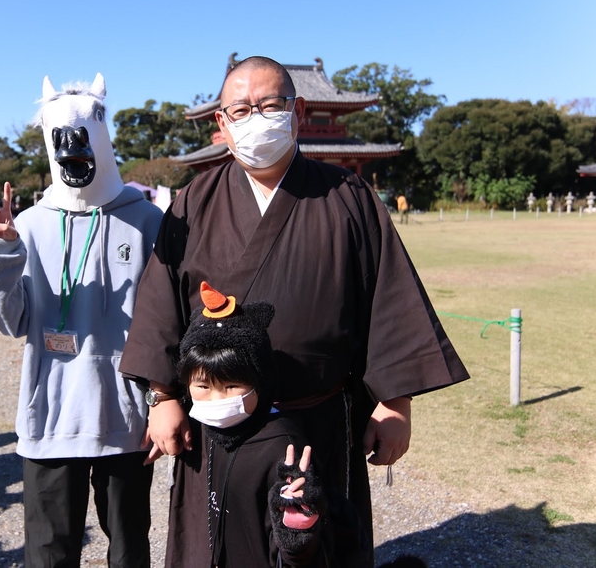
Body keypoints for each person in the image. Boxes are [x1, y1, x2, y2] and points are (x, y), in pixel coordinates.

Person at [120, 56, 469, 567]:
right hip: (220, 425)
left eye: (269, 105)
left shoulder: (350, 197)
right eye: (239, 109)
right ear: (220, 122)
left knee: (314, 548)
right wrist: (162, 396)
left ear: (297, 111)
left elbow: (388, 304)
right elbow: (159, 305)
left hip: (317, 422)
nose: (254, 117)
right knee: (218, 547)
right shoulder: (194, 202)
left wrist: (396, 405)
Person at [0, 73, 163, 568]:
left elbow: (170, 320)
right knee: (49, 554)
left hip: (126, 420)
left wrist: (165, 397)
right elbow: (8, 321)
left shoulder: (147, 222)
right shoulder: (27, 225)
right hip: (50, 420)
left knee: (128, 550)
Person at [169, 280, 364, 567]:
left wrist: (298, 533)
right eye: (202, 386)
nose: (217, 399)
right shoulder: (218, 434)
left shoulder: (283, 449)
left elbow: (301, 549)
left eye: (232, 385)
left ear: (260, 380)